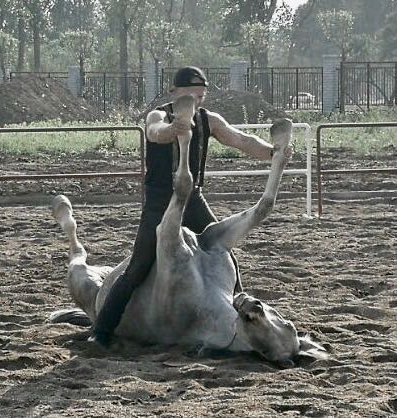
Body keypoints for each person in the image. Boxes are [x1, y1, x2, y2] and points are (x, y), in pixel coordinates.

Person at [91, 66, 283, 347]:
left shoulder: (210, 120)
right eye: (191, 94)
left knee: (224, 255)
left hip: (193, 199)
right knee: (138, 266)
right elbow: (155, 132)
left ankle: (239, 315)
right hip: (160, 202)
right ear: (174, 93)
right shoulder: (158, 114)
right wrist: (174, 128)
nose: (197, 99)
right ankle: (102, 330)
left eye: (201, 95)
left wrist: (272, 152)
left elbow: (241, 140)